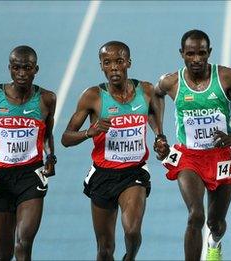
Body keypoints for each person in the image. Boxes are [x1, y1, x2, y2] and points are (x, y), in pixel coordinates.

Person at [61, 41, 168, 261]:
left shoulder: (146, 90)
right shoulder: (92, 96)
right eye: (107, 63)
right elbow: (65, 138)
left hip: (133, 173)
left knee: (132, 231)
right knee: (104, 249)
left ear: (128, 62)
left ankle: (130, 257)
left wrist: (159, 136)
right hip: (103, 175)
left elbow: (154, 113)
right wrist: (89, 132)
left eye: (119, 61)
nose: (114, 68)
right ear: (101, 66)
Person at [153, 29, 231, 261]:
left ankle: (215, 242)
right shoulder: (171, 82)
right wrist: (160, 133)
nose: (196, 59)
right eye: (190, 54)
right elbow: (154, 96)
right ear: (182, 54)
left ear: (209, 52)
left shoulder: (226, 77)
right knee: (195, 215)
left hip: (221, 156)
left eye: (201, 53)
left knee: (215, 223)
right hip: (189, 157)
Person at [0, 45, 57, 260]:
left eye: (27, 68)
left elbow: (47, 134)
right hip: (0, 179)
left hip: (31, 177)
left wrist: (50, 156)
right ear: (10, 69)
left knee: (22, 245)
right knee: (4, 256)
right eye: (16, 68)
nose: (22, 73)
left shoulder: (46, 99)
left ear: (36, 69)